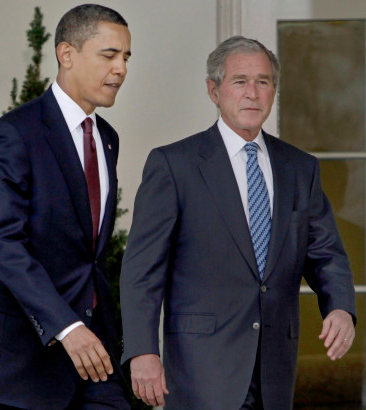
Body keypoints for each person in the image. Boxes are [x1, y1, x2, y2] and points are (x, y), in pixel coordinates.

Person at [120, 35, 356, 409]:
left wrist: (341, 307)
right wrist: (142, 352)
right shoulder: (174, 165)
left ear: (274, 91)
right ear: (214, 91)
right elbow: (141, 271)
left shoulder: (300, 168)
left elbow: (326, 253)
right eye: (240, 81)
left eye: (263, 82)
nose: (252, 93)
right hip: (202, 369)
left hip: (275, 367)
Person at [0, 4, 131, 409]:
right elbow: (2, 244)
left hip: (94, 361)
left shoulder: (107, 139)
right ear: (66, 54)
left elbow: (88, 255)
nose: (121, 69)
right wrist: (66, 326)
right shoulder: (14, 134)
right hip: (16, 366)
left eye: (125, 57)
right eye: (109, 55)